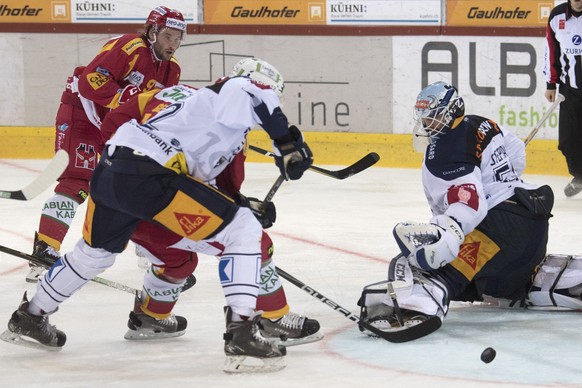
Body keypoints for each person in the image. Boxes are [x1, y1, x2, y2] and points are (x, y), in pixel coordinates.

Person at [1, 57, 313, 373]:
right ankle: (242, 335)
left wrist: (281, 155)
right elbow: (251, 95)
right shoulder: (239, 90)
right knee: (244, 230)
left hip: (112, 168)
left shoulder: (177, 95)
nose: (272, 103)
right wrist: (286, 143)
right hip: (151, 181)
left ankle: (31, 316)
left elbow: (117, 121)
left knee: (92, 255)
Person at [98, 63, 322, 347]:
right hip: (163, 205)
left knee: (177, 260)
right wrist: (247, 209)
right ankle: (272, 318)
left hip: (118, 196)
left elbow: (113, 122)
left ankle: (151, 316)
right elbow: (225, 195)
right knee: (254, 241)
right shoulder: (233, 134)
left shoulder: (176, 95)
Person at [355, 81, 582, 342]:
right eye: (425, 117)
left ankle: (418, 303)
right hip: (533, 225)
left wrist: (448, 235)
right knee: (504, 285)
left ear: (452, 111)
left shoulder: (443, 150)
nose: (428, 123)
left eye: (435, 116)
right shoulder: (480, 123)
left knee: (422, 267)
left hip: (500, 231)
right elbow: (517, 154)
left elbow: (470, 206)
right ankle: (557, 280)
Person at [27, 6, 187, 282]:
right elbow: (91, 81)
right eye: (168, 36)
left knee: (137, 185)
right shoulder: (130, 47)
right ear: (152, 32)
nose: (173, 44)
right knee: (77, 182)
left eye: (178, 38)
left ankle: (154, 255)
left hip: (114, 126)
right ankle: (44, 251)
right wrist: (124, 97)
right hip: (83, 116)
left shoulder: (171, 70)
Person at [544, 0, 582, 197]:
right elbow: (551, 50)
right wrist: (551, 83)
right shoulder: (557, 16)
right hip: (570, 90)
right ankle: (579, 175)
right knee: (567, 140)